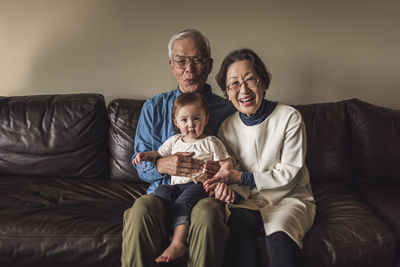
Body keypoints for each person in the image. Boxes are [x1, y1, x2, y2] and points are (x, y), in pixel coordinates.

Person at [121, 29, 237, 267]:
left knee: (207, 214)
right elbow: (141, 166)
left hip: (204, 192)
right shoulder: (154, 107)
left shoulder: (228, 110)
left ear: (209, 65)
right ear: (172, 65)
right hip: (163, 190)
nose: (189, 69)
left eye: (197, 60)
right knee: (141, 209)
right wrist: (161, 165)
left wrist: (223, 174)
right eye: (181, 61)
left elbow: (239, 162)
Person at [203, 48, 316, 267]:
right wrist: (228, 192)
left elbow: (290, 173)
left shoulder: (289, 117)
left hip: (289, 197)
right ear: (227, 92)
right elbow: (230, 175)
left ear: (263, 82)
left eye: (250, 79)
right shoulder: (226, 128)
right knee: (236, 233)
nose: (243, 89)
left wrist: (241, 178)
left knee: (280, 240)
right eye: (234, 83)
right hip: (249, 200)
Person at [132, 92, 233, 263]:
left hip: (197, 185)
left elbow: (226, 162)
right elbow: (158, 153)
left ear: (206, 119)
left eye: (196, 118)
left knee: (183, 202)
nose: (191, 125)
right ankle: (168, 229)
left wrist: (222, 176)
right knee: (161, 192)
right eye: (184, 120)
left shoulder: (211, 141)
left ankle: (178, 243)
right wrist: (144, 155)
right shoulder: (174, 141)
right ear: (176, 122)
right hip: (175, 186)